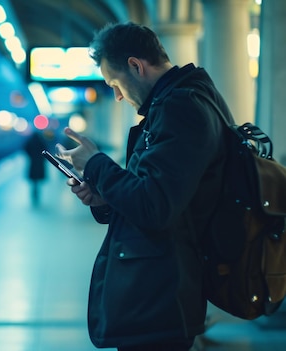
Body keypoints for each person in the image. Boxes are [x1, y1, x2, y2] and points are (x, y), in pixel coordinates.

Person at [55, 22, 232, 351]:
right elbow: (156, 194)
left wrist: (96, 163)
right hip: (159, 290)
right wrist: (102, 197)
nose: (118, 96)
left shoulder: (181, 108)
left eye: (115, 84)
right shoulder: (177, 104)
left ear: (136, 66)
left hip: (161, 295)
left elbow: (155, 206)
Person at [23, 131, 47, 205]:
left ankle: (34, 194)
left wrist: (31, 156)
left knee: (34, 182)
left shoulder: (30, 141)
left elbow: (25, 149)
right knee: (37, 181)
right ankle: (37, 194)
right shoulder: (41, 141)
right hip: (39, 164)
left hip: (33, 163)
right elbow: (46, 150)